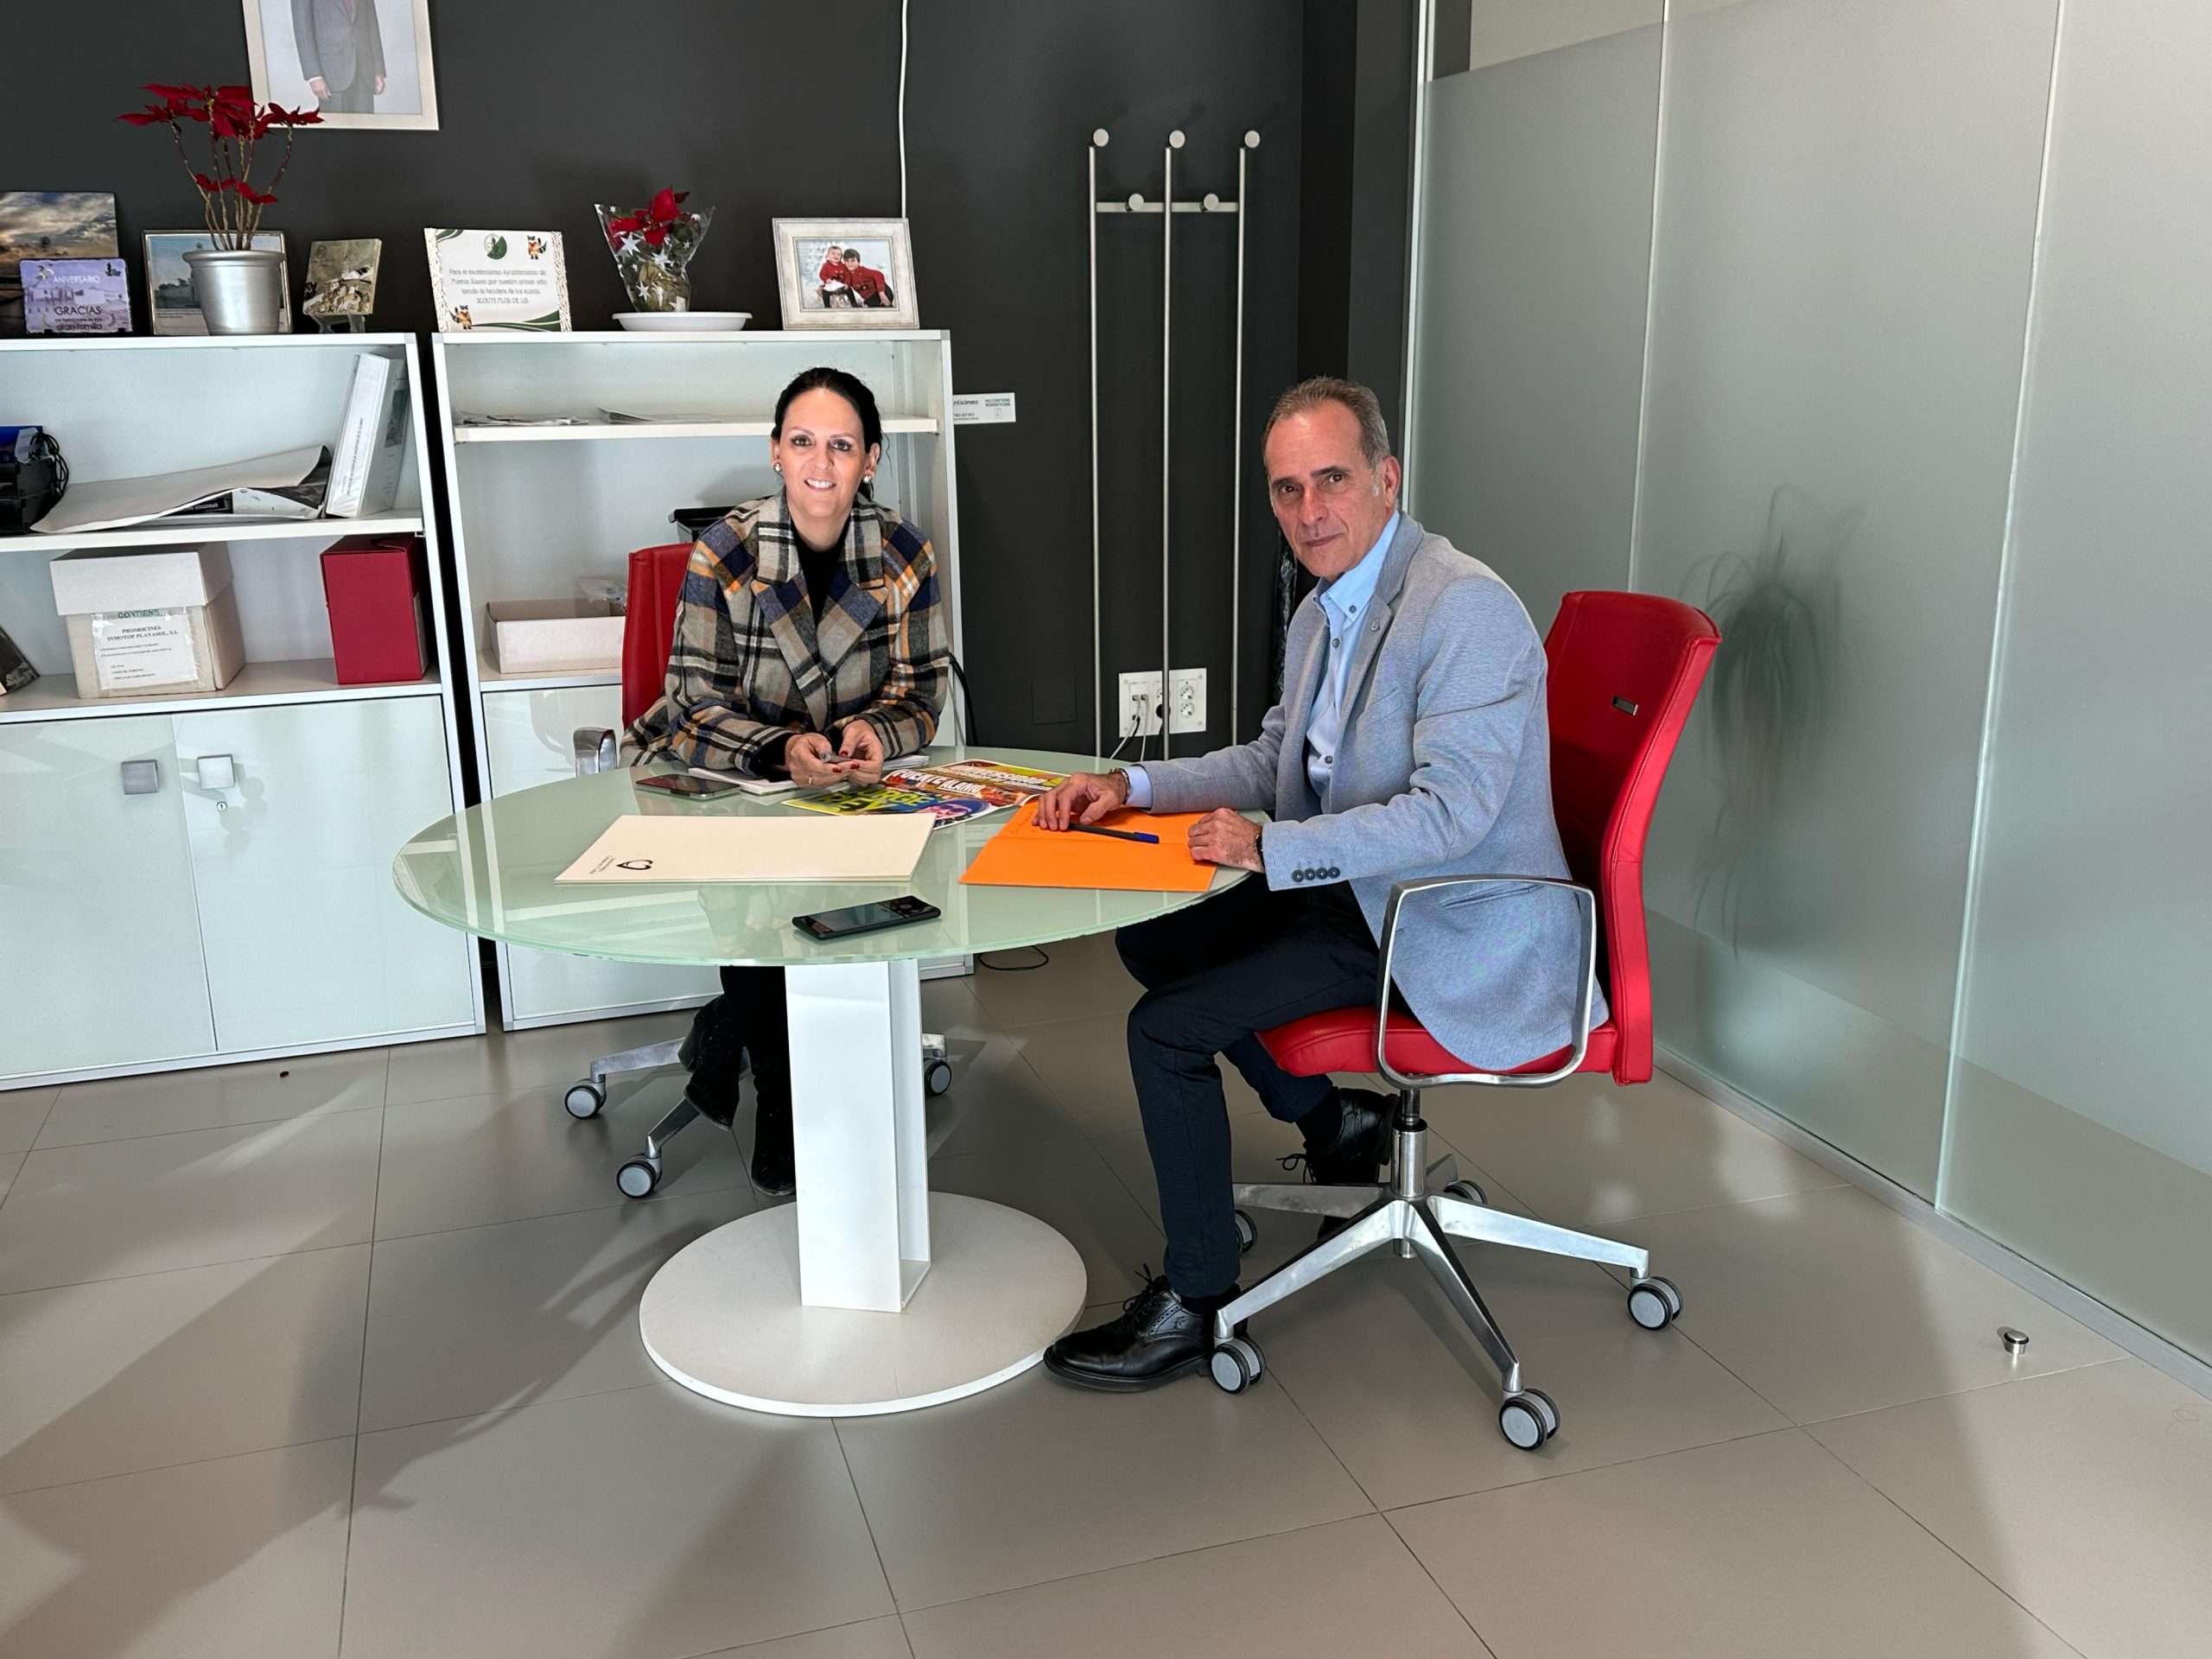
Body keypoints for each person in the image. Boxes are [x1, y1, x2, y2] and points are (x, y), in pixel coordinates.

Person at [1034, 377, 1604, 1389]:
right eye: (1287, 489)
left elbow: (1451, 816)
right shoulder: (1323, 609)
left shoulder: (1461, 606)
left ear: (1387, 478)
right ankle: (1333, 1120)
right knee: (1154, 939)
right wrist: (1130, 786)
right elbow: (1275, 762)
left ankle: (1197, 1298)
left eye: (1331, 480)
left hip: (1442, 915)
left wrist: (1271, 852)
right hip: (1361, 889)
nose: (1309, 511)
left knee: (1165, 1029)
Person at [625, 366, 949, 1194]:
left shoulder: (904, 551)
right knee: (757, 902)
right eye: (802, 441)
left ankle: (747, 1036)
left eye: (842, 445)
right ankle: (778, 1088)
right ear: (775, 451)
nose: (821, 463)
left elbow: (922, 693)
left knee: (873, 899)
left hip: (848, 777)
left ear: (871, 459)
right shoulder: (726, 550)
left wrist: (875, 733)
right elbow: (692, 705)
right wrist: (780, 750)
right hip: (735, 767)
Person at [291, 0, 386, 114]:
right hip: (331, 73)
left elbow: (371, 21)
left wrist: (378, 70)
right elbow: (302, 29)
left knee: (365, 125)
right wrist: (314, 75)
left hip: (364, 70)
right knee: (336, 125)